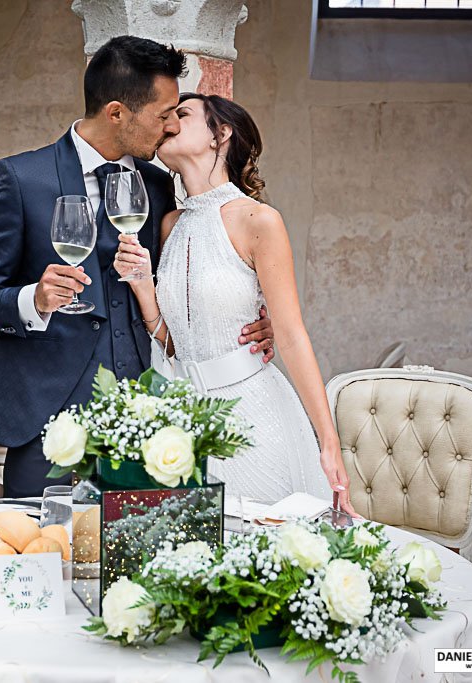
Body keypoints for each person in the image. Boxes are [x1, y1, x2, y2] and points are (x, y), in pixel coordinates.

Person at [0, 37, 276, 498]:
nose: (171, 127)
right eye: (164, 114)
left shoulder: (157, 184)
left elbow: (190, 284)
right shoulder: (22, 179)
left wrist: (248, 326)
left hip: (146, 417)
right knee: (43, 553)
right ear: (116, 113)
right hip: (48, 415)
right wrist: (35, 298)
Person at [113, 93, 357, 513]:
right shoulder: (170, 225)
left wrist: (329, 443)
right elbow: (176, 345)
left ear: (220, 133)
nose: (170, 122)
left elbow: (292, 336)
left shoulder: (258, 221)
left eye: (183, 114)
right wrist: (143, 289)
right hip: (181, 422)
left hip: (253, 416)